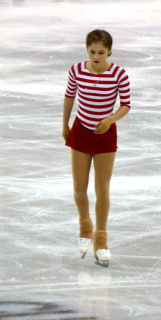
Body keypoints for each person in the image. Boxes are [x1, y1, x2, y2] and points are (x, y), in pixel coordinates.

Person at [62, 29, 131, 267]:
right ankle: (85, 227)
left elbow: (126, 105)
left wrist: (110, 119)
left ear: (109, 51)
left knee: (102, 190)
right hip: (81, 132)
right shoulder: (77, 70)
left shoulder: (119, 74)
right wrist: (65, 125)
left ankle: (101, 240)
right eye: (92, 51)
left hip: (105, 136)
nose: (96, 56)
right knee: (79, 188)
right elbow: (69, 97)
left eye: (101, 52)